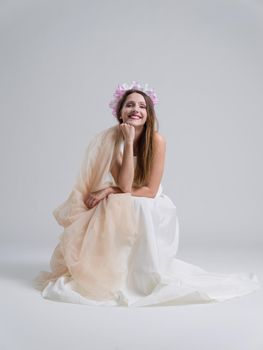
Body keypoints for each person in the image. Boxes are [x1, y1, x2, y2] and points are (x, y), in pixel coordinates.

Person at [33, 81, 261, 307]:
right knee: (113, 205)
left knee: (133, 204)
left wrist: (111, 188)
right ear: (120, 113)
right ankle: (115, 271)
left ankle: (142, 275)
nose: (136, 110)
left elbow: (149, 190)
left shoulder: (157, 140)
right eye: (130, 105)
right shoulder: (111, 142)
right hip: (126, 194)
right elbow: (124, 184)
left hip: (151, 199)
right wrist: (127, 142)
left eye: (142, 106)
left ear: (149, 113)